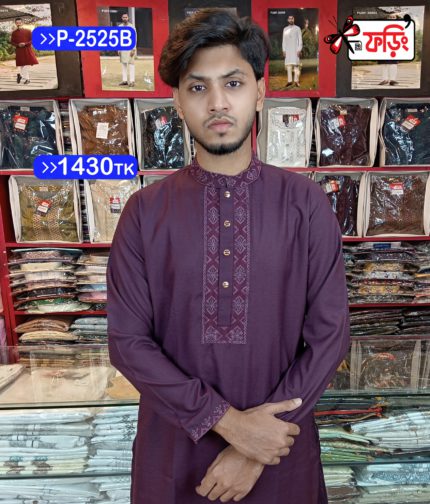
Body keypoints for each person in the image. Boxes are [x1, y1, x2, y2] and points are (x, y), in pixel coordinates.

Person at [107, 8, 350, 504]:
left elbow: (330, 337)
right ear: (177, 102)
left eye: (234, 83)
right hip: (175, 455)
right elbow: (128, 343)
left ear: (260, 92)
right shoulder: (144, 212)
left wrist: (257, 447)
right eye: (198, 88)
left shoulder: (305, 204)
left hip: (280, 453)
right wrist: (230, 425)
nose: (218, 103)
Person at [10, 17, 38, 85]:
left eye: (20, 22)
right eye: (17, 23)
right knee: (22, 65)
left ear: (22, 23)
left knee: (27, 64)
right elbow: (12, 42)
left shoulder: (28, 31)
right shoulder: (14, 33)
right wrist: (18, 45)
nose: (18, 24)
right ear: (15, 23)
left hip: (27, 49)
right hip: (19, 50)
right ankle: (27, 79)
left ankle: (21, 75)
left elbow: (32, 40)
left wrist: (25, 43)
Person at [282, 15, 302, 88]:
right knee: (288, 66)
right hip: (288, 50)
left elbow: (300, 40)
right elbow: (284, 40)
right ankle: (289, 81)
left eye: (292, 18)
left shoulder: (297, 28)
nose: (291, 20)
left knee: (296, 65)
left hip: (295, 50)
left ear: (294, 19)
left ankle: (296, 81)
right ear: (288, 20)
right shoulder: (285, 29)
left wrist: (299, 49)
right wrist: (284, 50)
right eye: (289, 18)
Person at [118, 12, 136, 87]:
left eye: (126, 17)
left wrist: (133, 49)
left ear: (128, 18)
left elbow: (134, 38)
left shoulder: (132, 27)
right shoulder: (119, 27)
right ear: (122, 18)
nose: (125, 18)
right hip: (122, 48)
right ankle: (124, 80)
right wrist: (118, 49)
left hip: (130, 48)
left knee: (131, 64)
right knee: (123, 64)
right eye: (123, 17)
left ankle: (132, 81)